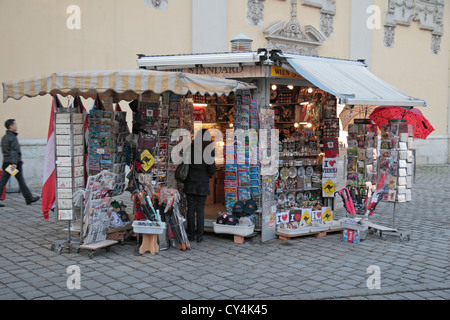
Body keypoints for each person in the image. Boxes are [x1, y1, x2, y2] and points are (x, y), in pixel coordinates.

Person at [183, 129, 216, 243]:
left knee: (190, 209)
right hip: (202, 182)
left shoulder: (190, 149)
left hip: (190, 181)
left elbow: (184, 163)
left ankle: (191, 234)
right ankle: (200, 236)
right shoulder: (208, 150)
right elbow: (212, 168)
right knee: (201, 209)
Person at [0, 119, 40, 207]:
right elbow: (14, 151)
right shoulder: (12, 137)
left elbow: (5, 151)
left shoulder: (4, 137)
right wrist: (14, 163)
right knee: (20, 181)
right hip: (13, 164)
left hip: (7, 163)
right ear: (11, 126)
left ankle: (29, 198)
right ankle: (29, 198)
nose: (16, 126)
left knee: (3, 182)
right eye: (15, 124)